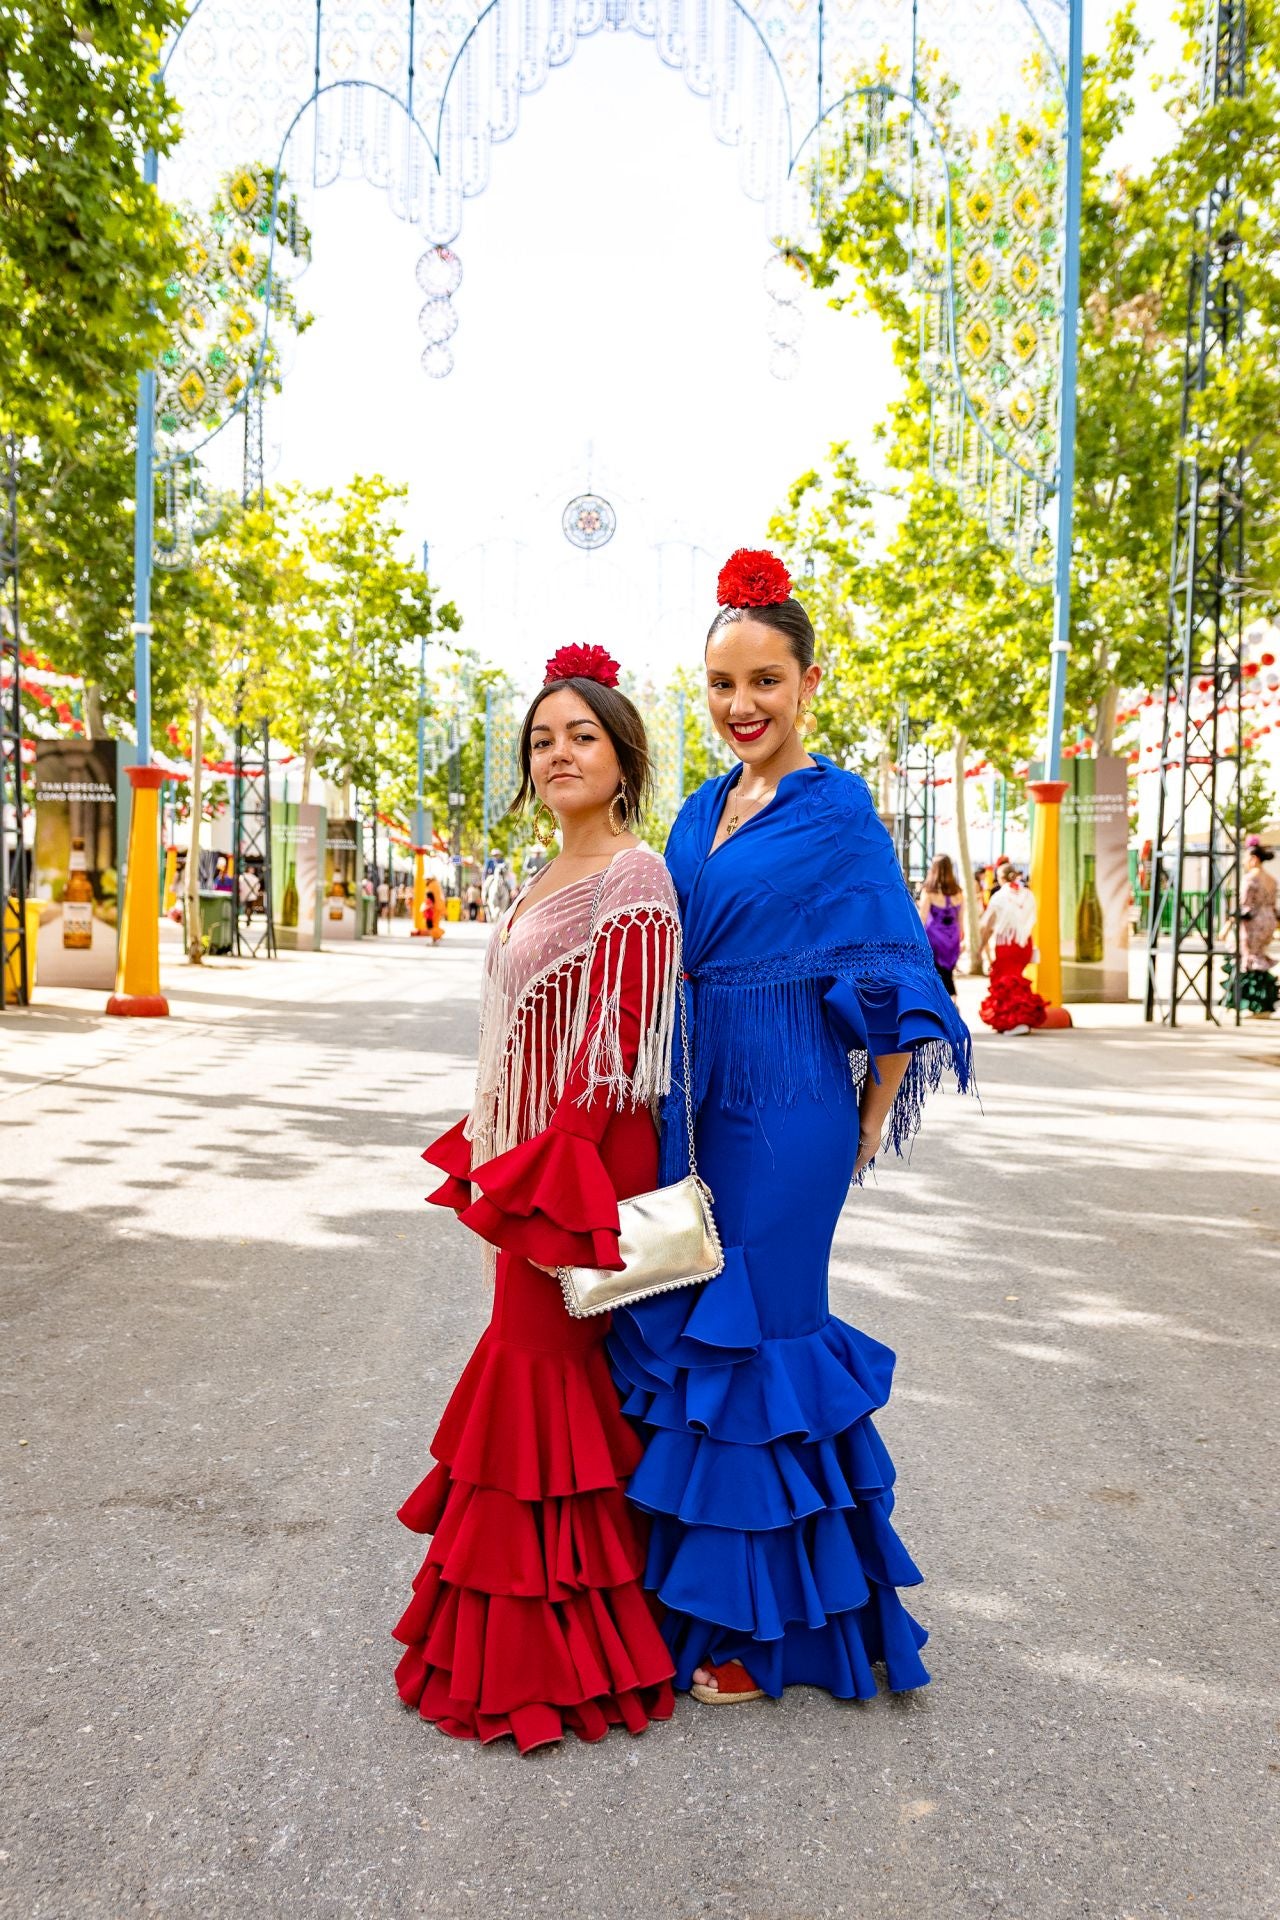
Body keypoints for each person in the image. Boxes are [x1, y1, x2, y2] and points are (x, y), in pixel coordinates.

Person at [608, 549, 972, 1709]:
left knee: (758, 1346)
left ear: (808, 682)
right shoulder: (699, 808)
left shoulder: (837, 810)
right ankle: (709, 1598)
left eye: (763, 680)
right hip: (690, 1106)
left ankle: (761, 1638)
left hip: (787, 1114)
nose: (740, 706)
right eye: (720, 684)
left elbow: (891, 967)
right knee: (690, 1332)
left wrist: (865, 1118)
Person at [393, 642, 680, 1753]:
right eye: (541, 740)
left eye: (582, 737)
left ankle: (542, 1661)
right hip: (528, 1153)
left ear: (623, 759)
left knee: (533, 1378)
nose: (558, 754)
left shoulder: (633, 878)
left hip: (579, 1160)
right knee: (546, 1382)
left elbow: (618, 1041)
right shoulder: (536, 877)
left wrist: (549, 1175)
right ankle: (551, 1637)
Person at [978, 861, 1047, 1034]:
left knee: (1008, 982)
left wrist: (981, 947)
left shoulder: (999, 897)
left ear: (1000, 878)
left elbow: (988, 926)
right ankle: (1012, 1021)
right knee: (1015, 980)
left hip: (1007, 945)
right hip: (1024, 944)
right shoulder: (1028, 895)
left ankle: (1016, 1022)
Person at [1234, 837, 1278, 1015]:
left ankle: (1253, 1005)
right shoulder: (1272, 879)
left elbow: (1244, 905)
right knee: (1260, 955)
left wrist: (1229, 924)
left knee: (1250, 957)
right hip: (1269, 920)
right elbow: (1274, 904)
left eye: (1246, 857)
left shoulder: (1250, 878)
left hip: (1253, 921)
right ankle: (1263, 1004)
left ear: (1254, 859)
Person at [918, 853, 965, 998]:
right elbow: (960, 920)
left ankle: (940, 1005)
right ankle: (952, 1002)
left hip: (934, 938)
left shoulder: (929, 891)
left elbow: (922, 918)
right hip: (953, 938)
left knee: (936, 975)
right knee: (948, 974)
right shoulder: (958, 892)